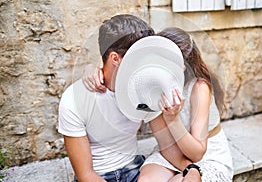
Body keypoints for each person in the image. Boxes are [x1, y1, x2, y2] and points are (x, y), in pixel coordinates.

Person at [58, 15, 199, 182]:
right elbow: (86, 174)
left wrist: (191, 169)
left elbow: (167, 147)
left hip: (134, 170)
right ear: (115, 58)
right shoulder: (74, 100)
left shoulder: (144, 89)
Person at [83, 27, 233, 181]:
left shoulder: (199, 88)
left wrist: (173, 121)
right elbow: (166, 145)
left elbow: (197, 153)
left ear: (182, 67)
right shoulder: (149, 84)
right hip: (172, 151)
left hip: (206, 155)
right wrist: (93, 70)